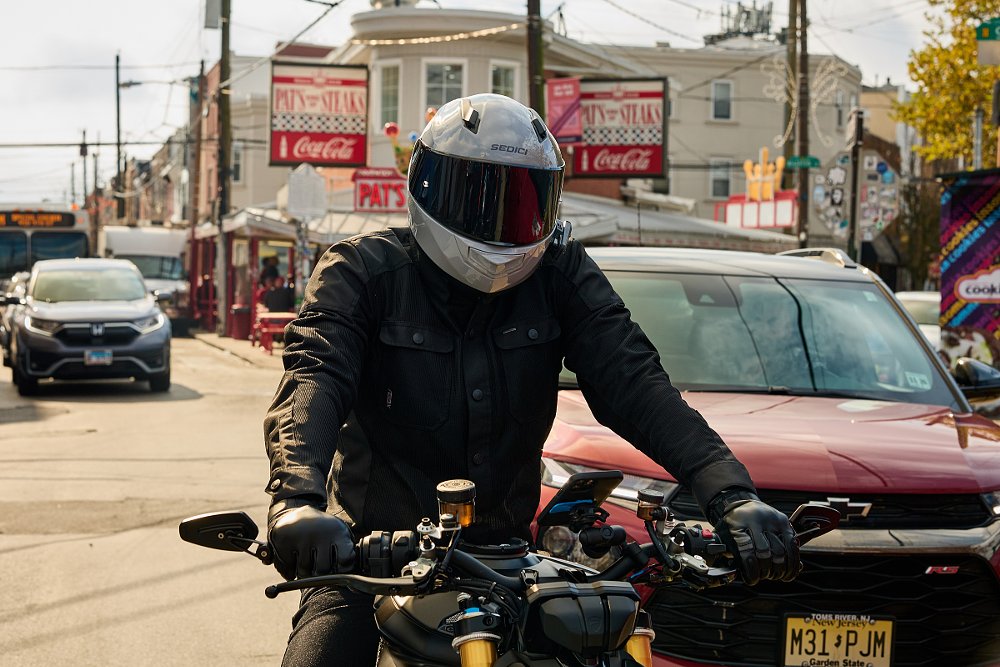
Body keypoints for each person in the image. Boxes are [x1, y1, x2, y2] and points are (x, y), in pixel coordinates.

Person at [263, 94, 799, 666]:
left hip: (511, 561)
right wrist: (296, 503)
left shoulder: (560, 272)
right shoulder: (362, 272)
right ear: (426, 188)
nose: (502, 223)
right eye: (480, 197)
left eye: (522, 202)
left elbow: (634, 381)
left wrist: (730, 493)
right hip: (373, 560)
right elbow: (315, 377)